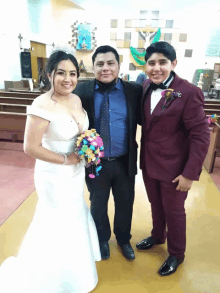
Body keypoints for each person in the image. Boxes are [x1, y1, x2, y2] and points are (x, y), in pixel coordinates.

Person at [0, 50, 101, 292]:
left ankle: (74, 275)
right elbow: (30, 147)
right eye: (61, 73)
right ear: (50, 74)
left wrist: (89, 149)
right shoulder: (41, 104)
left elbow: (81, 133)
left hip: (75, 174)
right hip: (54, 176)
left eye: (73, 73)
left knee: (75, 216)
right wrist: (66, 159)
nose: (68, 79)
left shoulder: (76, 99)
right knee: (55, 221)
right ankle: (48, 278)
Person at [136, 41, 210, 276]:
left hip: (175, 168)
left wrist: (190, 173)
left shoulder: (189, 92)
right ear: (145, 65)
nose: (156, 68)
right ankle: (158, 235)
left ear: (174, 63)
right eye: (151, 63)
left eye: (162, 63)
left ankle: (177, 254)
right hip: (148, 163)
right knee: (155, 205)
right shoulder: (146, 85)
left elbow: (200, 136)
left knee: (174, 212)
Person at [74, 45, 142, 261]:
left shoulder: (133, 91)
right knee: (98, 203)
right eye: (100, 64)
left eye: (110, 63)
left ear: (118, 66)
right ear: (93, 67)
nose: (105, 68)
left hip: (124, 160)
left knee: (125, 202)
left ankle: (123, 239)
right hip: (95, 162)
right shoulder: (81, 92)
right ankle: (101, 239)